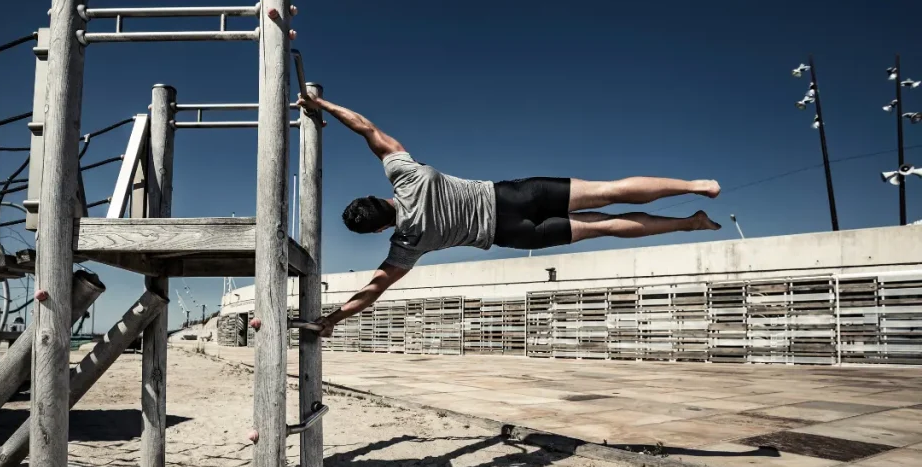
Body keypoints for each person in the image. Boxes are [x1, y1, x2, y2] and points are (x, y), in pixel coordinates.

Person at [296, 94, 721, 337]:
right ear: (378, 197)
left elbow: (372, 291)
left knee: (606, 227)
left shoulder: (405, 244)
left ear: (380, 228)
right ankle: (695, 185)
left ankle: (689, 222)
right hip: (516, 195)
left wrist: (332, 319)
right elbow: (368, 129)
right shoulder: (407, 177)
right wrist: (321, 104)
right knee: (608, 192)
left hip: (515, 233)